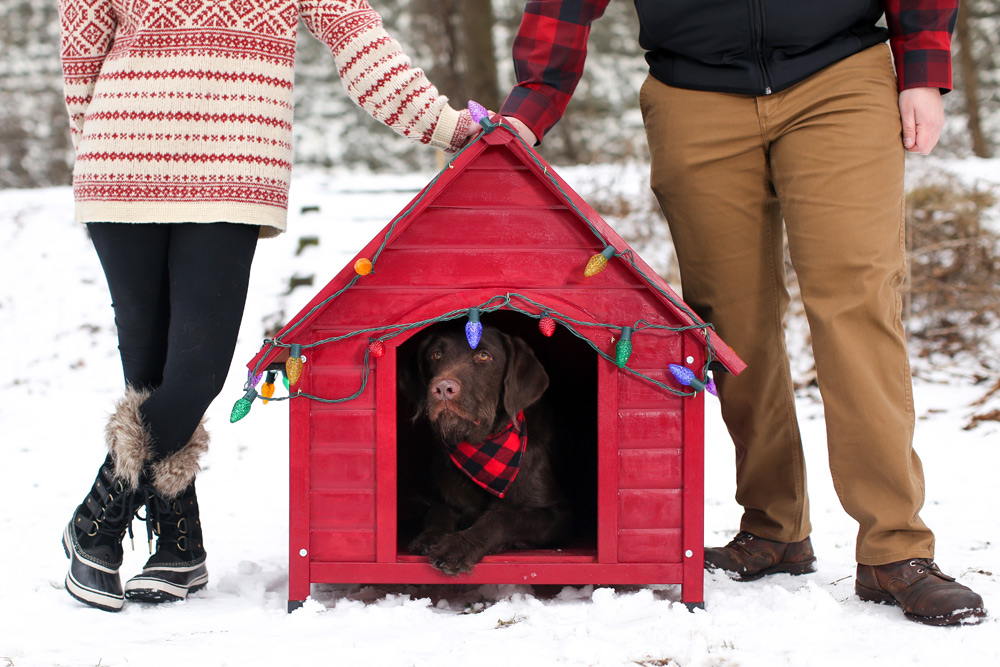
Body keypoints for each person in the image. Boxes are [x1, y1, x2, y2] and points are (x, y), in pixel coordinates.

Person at [500, 0, 987, 626]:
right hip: (693, 93)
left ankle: (896, 548)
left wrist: (921, 68)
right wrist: (533, 103)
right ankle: (775, 526)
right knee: (728, 321)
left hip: (839, 76)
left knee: (856, 306)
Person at [57, 0, 478, 612]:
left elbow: (360, 43)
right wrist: (92, 152)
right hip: (119, 160)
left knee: (194, 374)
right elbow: (82, 53)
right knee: (148, 374)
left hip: (233, 168)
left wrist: (449, 125)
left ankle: (97, 515)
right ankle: (180, 546)